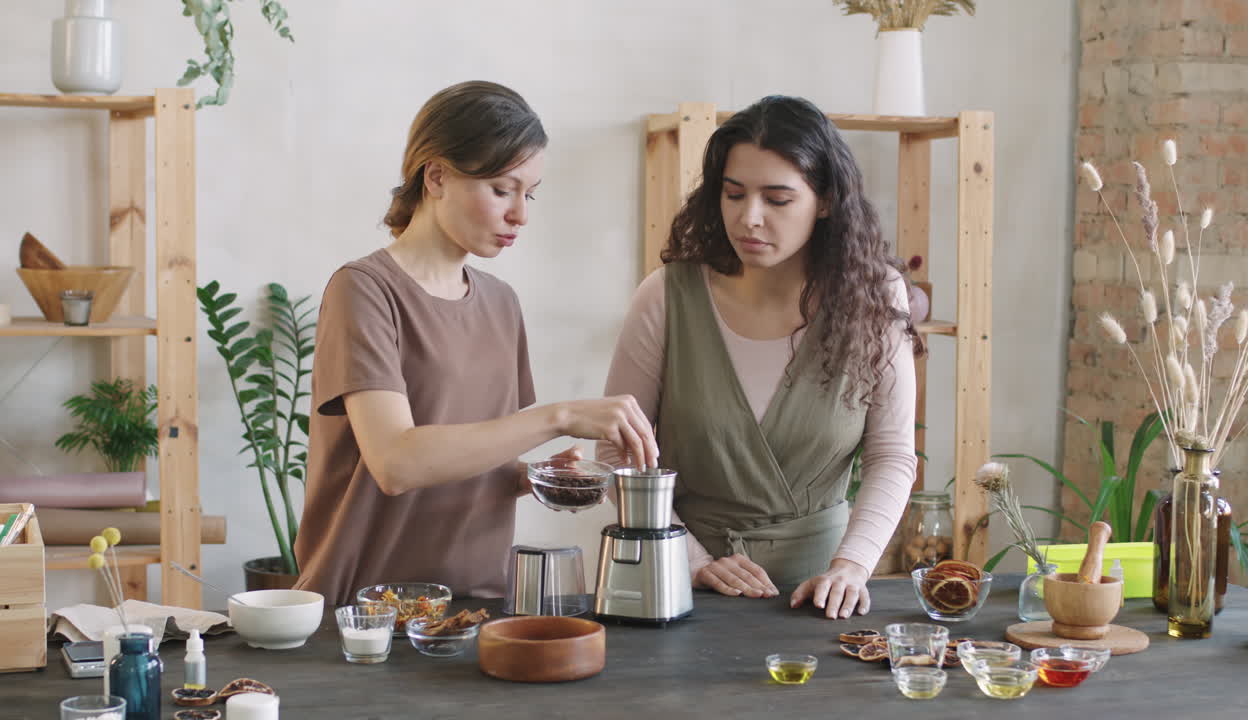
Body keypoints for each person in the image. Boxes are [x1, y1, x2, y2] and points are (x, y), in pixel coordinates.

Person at [295, 81, 659, 606]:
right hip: (366, 613)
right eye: (501, 189)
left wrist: (530, 477)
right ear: (437, 176)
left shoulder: (501, 302)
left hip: (477, 606)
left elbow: (467, 453)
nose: (521, 215)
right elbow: (397, 463)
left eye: (529, 194)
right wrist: (557, 417)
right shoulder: (364, 290)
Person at [598, 95, 919, 619]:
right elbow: (616, 456)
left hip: (820, 599)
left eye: (777, 199)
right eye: (733, 194)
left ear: (827, 201)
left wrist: (853, 566)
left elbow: (891, 453)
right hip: (677, 590)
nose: (749, 218)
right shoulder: (666, 296)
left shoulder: (875, 297)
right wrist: (693, 559)